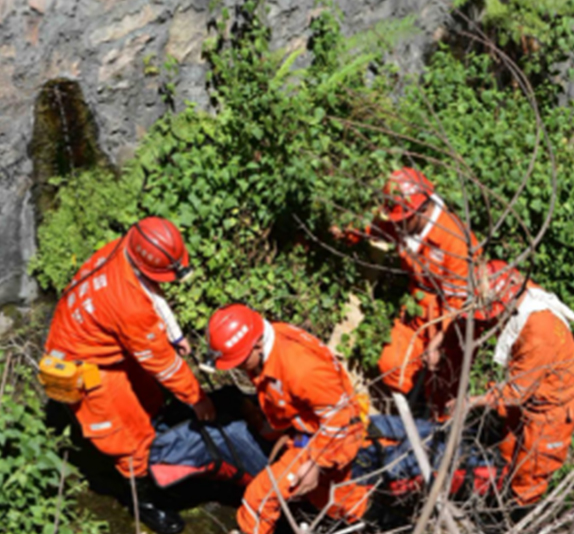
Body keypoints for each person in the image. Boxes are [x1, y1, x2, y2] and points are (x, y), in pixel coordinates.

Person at [42, 217, 215, 534]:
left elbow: (153, 295)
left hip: (97, 339)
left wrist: (174, 334)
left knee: (148, 399)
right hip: (84, 366)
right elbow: (164, 365)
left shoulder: (126, 249)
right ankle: (143, 501)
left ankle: (155, 442)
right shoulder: (128, 304)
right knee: (127, 439)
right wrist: (197, 399)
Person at [207, 304, 370, 534]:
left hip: (330, 438)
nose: (241, 368)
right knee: (336, 498)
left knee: (260, 499)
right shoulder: (271, 344)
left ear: (257, 345)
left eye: (242, 361)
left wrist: (315, 463)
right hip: (311, 429)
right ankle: (370, 522)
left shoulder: (302, 368)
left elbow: (340, 418)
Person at [339, 167, 481, 419]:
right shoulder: (404, 223)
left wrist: (439, 342)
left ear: (422, 209)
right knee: (391, 363)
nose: (398, 224)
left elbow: (458, 301)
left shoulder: (452, 239)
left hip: (453, 319)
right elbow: (375, 227)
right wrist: (345, 231)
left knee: (443, 387)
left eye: (403, 218)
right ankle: (408, 406)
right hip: (417, 308)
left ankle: (439, 431)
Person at [454, 260, 574, 509]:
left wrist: (471, 403)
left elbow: (515, 393)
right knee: (508, 449)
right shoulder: (519, 292)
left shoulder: (537, 331)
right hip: (530, 386)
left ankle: (520, 513)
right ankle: (500, 493)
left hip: (555, 404)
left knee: (531, 471)